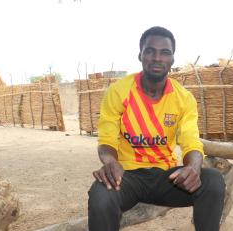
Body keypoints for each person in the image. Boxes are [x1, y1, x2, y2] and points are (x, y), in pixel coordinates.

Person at [88, 26, 225, 231]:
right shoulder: (118, 92)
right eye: (150, 51)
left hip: (167, 177)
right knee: (100, 194)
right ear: (140, 55)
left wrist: (193, 168)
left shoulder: (183, 98)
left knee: (213, 181)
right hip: (127, 176)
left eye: (165, 52)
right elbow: (107, 139)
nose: (157, 58)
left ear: (172, 60)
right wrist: (110, 162)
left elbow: (191, 141)